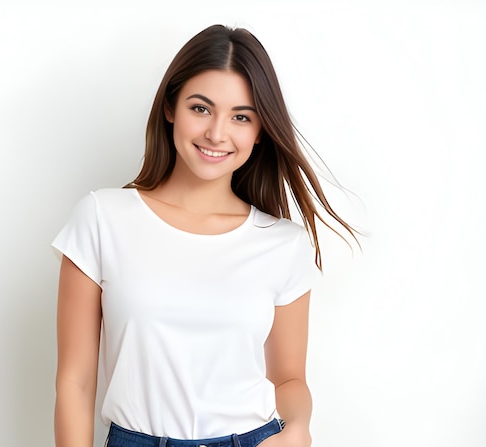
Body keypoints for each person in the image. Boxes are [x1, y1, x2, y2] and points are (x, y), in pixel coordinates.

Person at [52, 24, 358, 447]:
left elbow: (289, 379)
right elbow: (74, 382)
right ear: (170, 107)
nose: (217, 133)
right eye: (201, 108)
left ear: (260, 129)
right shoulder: (102, 218)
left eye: (241, 117)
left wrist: (299, 429)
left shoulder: (282, 243)